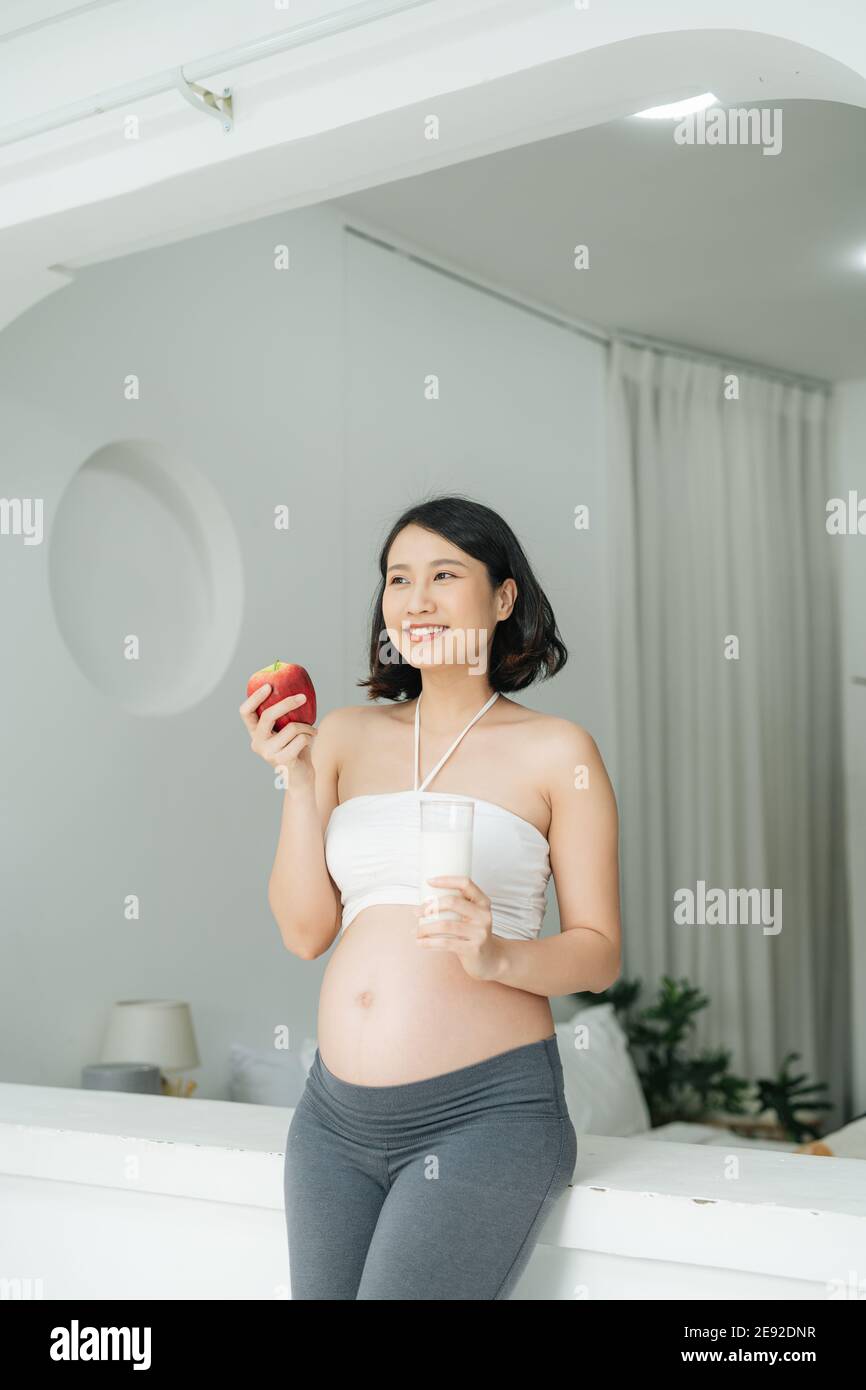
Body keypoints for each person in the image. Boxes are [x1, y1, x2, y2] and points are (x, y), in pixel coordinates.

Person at [239, 494, 621, 1299]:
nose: (415, 599)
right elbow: (307, 932)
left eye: (444, 574)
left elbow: (599, 952)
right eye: (398, 578)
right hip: (333, 1122)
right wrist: (297, 778)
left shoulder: (556, 751)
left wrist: (499, 953)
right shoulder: (342, 736)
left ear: (503, 596)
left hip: (487, 1117)